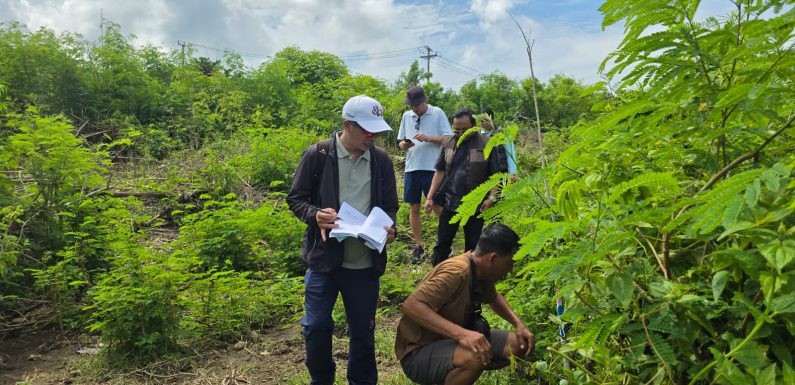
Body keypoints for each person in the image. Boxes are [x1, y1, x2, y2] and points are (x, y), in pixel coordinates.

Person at [287, 95, 399, 385]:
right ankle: (321, 379)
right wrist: (315, 216)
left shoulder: (381, 161)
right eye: (365, 130)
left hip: (363, 263)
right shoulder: (318, 155)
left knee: (363, 332)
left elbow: (390, 206)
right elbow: (296, 199)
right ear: (346, 124)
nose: (371, 136)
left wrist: (388, 227)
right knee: (316, 326)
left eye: (375, 131)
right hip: (325, 260)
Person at [395, 223, 535, 385]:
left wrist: (518, 323)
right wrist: (463, 334)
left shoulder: (481, 272)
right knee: (474, 357)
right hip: (418, 351)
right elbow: (411, 306)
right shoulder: (457, 272)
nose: (511, 269)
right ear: (493, 258)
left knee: (519, 346)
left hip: (450, 342)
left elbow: (494, 297)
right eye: (510, 263)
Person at [424, 108, 507, 266]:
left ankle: (471, 279)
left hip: (476, 204)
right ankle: (436, 277)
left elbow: (496, 175)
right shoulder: (448, 142)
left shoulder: (487, 144)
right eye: (457, 129)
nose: (460, 133)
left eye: (464, 129)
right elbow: (440, 170)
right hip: (450, 200)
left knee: (473, 245)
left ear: (474, 126)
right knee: (442, 243)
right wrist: (429, 197)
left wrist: (491, 198)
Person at [397, 86, 452, 264]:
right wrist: (405, 145)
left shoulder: (437, 113)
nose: (415, 109)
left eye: (417, 105)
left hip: (433, 168)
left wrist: (428, 138)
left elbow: (449, 139)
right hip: (412, 167)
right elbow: (401, 143)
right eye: (412, 106)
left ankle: (446, 243)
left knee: (436, 205)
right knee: (414, 207)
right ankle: (419, 246)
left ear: (423, 101)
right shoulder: (407, 116)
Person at [480, 107, 517, 176]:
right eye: (481, 121)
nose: (484, 123)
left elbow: (510, 152)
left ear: (492, 119)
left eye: (486, 120)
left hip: (502, 171)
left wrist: (512, 173)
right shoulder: (478, 135)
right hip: (484, 173)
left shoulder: (502, 132)